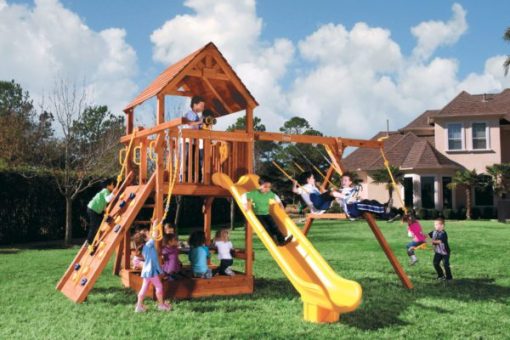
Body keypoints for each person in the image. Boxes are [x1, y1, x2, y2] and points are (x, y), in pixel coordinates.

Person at [241, 177, 293, 246]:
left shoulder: (269, 193)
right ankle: (273, 240)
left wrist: (281, 205)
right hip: (258, 215)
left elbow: (275, 196)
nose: (267, 189)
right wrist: (245, 204)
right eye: (265, 187)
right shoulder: (254, 193)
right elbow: (243, 195)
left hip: (267, 214)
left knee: (275, 227)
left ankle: (282, 240)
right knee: (266, 227)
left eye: (269, 187)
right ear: (260, 186)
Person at [134, 226, 171, 312]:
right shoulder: (149, 244)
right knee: (159, 286)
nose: (149, 234)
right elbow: (154, 235)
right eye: (148, 234)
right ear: (145, 239)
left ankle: (139, 306)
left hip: (147, 271)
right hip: (151, 271)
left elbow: (153, 236)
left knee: (144, 288)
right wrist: (155, 224)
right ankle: (161, 305)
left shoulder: (145, 247)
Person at [86, 178, 117, 250]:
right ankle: (89, 242)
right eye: (112, 184)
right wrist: (113, 193)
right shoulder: (106, 191)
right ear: (108, 186)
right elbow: (107, 199)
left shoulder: (104, 191)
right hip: (93, 210)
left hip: (95, 210)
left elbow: (102, 202)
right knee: (94, 226)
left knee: (103, 217)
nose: (113, 186)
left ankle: (107, 219)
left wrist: (105, 211)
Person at [183, 95, 205, 182]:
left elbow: (197, 126)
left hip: (194, 141)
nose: (203, 107)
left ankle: (195, 178)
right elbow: (190, 123)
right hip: (188, 140)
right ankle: (186, 178)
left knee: (195, 160)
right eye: (201, 105)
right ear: (195, 105)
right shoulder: (190, 114)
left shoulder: (196, 116)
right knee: (188, 159)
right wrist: (200, 122)